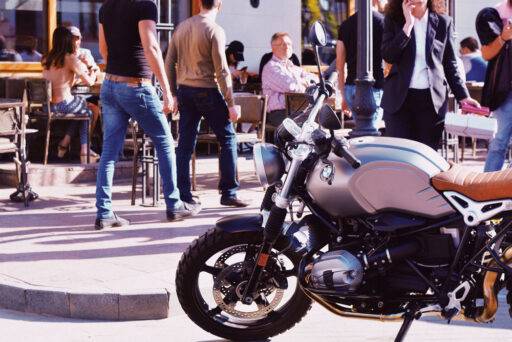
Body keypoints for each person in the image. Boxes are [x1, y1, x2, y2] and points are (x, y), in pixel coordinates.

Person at [96, 0, 200, 230]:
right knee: (164, 142)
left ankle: (104, 213)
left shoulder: (106, 7)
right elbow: (151, 46)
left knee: (109, 152)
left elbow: (104, 50)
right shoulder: (145, 5)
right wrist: (166, 90)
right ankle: (174, 204)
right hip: (136, 86)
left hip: (110, 85)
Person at [165, 0, 248, 208]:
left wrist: (172, 93)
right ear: (219, 4)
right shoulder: (215, 30)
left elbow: (169, 62)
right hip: (207, 90)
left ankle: (183, 194)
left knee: (185, 143)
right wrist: (230, 103)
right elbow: (222, 70)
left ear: (200, 3)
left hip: (185, 91)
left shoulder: (181, 27)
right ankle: (228, 192)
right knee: (227, 137)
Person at [381, 0, 479, 150]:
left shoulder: (443, 22)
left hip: (431, 103)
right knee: (400, 157)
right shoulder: (393, 19)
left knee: (426, 158)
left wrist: (463, 96)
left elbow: (450, 63)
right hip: (399, 102)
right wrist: (407, 26)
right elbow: (388, 55)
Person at [41, 27, 97, 164]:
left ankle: (65, 142)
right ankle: (84, 149)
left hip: (47, 106)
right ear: (68, 41)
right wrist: (92, 68)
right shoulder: (70, 58)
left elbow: (59, 80)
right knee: (88, 112)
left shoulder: (46, 59)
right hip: (64, 106)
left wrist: (73, 78)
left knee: (81, 110)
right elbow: (90, 82)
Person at [337, 0, 385, 130]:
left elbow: (340, 66)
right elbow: (389, 61)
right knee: (369, 134)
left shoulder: (345, 25)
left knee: (361, 131)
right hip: (374, 88)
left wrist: (342, 96)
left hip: (350, 88)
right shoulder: (383, 22)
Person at [477, 3, 512, 171]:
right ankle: (488, 190)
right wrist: (503, 37)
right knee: (500, 141)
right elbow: (486, 54)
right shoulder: (495, 13)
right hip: (505, 90)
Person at [261, 32, 317, 128]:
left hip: (298, 111)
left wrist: (301, 82)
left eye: (289, 44)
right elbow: (290, 87)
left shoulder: (293, 67)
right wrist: (305, 83)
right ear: (273, 48)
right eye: (282, 44)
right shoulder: (271, 67)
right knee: (306, 126)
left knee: (320, 121)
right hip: (279, 113)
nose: (287, 47)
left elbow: (315, 79)